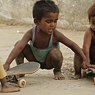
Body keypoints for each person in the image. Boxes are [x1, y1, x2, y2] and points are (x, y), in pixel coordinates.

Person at [4, 0, 86, 80]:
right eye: (49, 21)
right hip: (34, 61)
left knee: (56, 53)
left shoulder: (55, 34)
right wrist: (7, 63)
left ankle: (57, 70)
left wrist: (85, 59)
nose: (53, 25)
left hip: (49, 62)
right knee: (18, 44)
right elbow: (19, 47)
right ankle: (21, 71)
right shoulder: (31, 33)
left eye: (55, 21)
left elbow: (72, 45)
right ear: (37, 22)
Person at [74, 3, 95, 78]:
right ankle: (77, 73)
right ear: (89, 21)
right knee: (78, 51)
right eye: (93, 23)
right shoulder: (89, 32)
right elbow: (86, 47)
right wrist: (87, 61)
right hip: (89, 59)